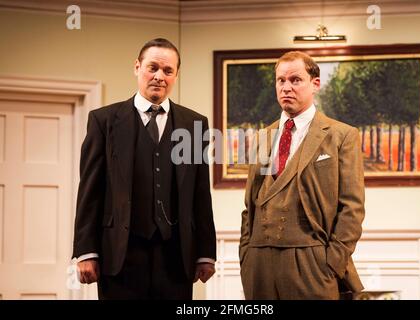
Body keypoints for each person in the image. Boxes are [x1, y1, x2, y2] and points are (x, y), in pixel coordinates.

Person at [72, 38, 216, 299]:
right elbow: (89, 191)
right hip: (120, 256)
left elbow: (200, 193)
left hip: (176, 258)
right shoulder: (103, 121)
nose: (159, 76)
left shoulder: (195, 124)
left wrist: (206, 252)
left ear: (176, 75)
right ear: (137, 67)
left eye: (168, 71)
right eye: (153, 68)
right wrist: (85, 251)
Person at [239, 51, 365, 300]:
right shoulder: (262, 137)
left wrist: (331, 263)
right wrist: (246, 255)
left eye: (295, 80)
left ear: (315, 84)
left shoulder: (341, 135)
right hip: (259, 266)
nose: (286, 87)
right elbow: (250, 205)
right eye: (280, 80)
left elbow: (352, 207)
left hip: (313, 265)